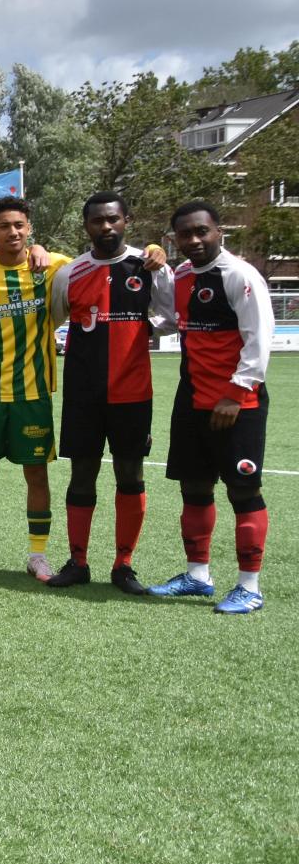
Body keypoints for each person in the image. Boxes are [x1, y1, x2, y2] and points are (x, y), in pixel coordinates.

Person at [148, 201, 273, 614]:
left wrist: (236, 394)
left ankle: (249, 587)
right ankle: (197, 576)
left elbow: (258, 340)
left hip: (238, 403)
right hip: (193, 399)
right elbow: (169, 321)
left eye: (202, 231)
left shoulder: (239, 275)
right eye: (186, 234)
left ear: (219, 231)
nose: (195, 240)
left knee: (243, 490)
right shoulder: (182, 276)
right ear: (175, 239)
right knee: (194, 487)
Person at [50, 193, 168, 593]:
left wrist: (146, 327)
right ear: (86, 226)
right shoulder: (72, 272)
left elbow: (172, 315)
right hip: (83, 394)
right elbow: (54, 317)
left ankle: (123, 565)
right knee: (82, 473)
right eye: (97, 221)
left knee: (129, 473)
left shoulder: (147, 265)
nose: (106, 227)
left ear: (126, 221)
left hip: (133, 392)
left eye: (113, 220)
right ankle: (78, 561)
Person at [0, 196, 69, 581]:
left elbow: (101, 260)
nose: (13, 232)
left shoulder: (52, 266)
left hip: (34, 393)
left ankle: (38, 556)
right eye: (4, 225)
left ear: (30, 228)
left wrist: (151, 249)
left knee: (36, 475)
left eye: (19, 225)